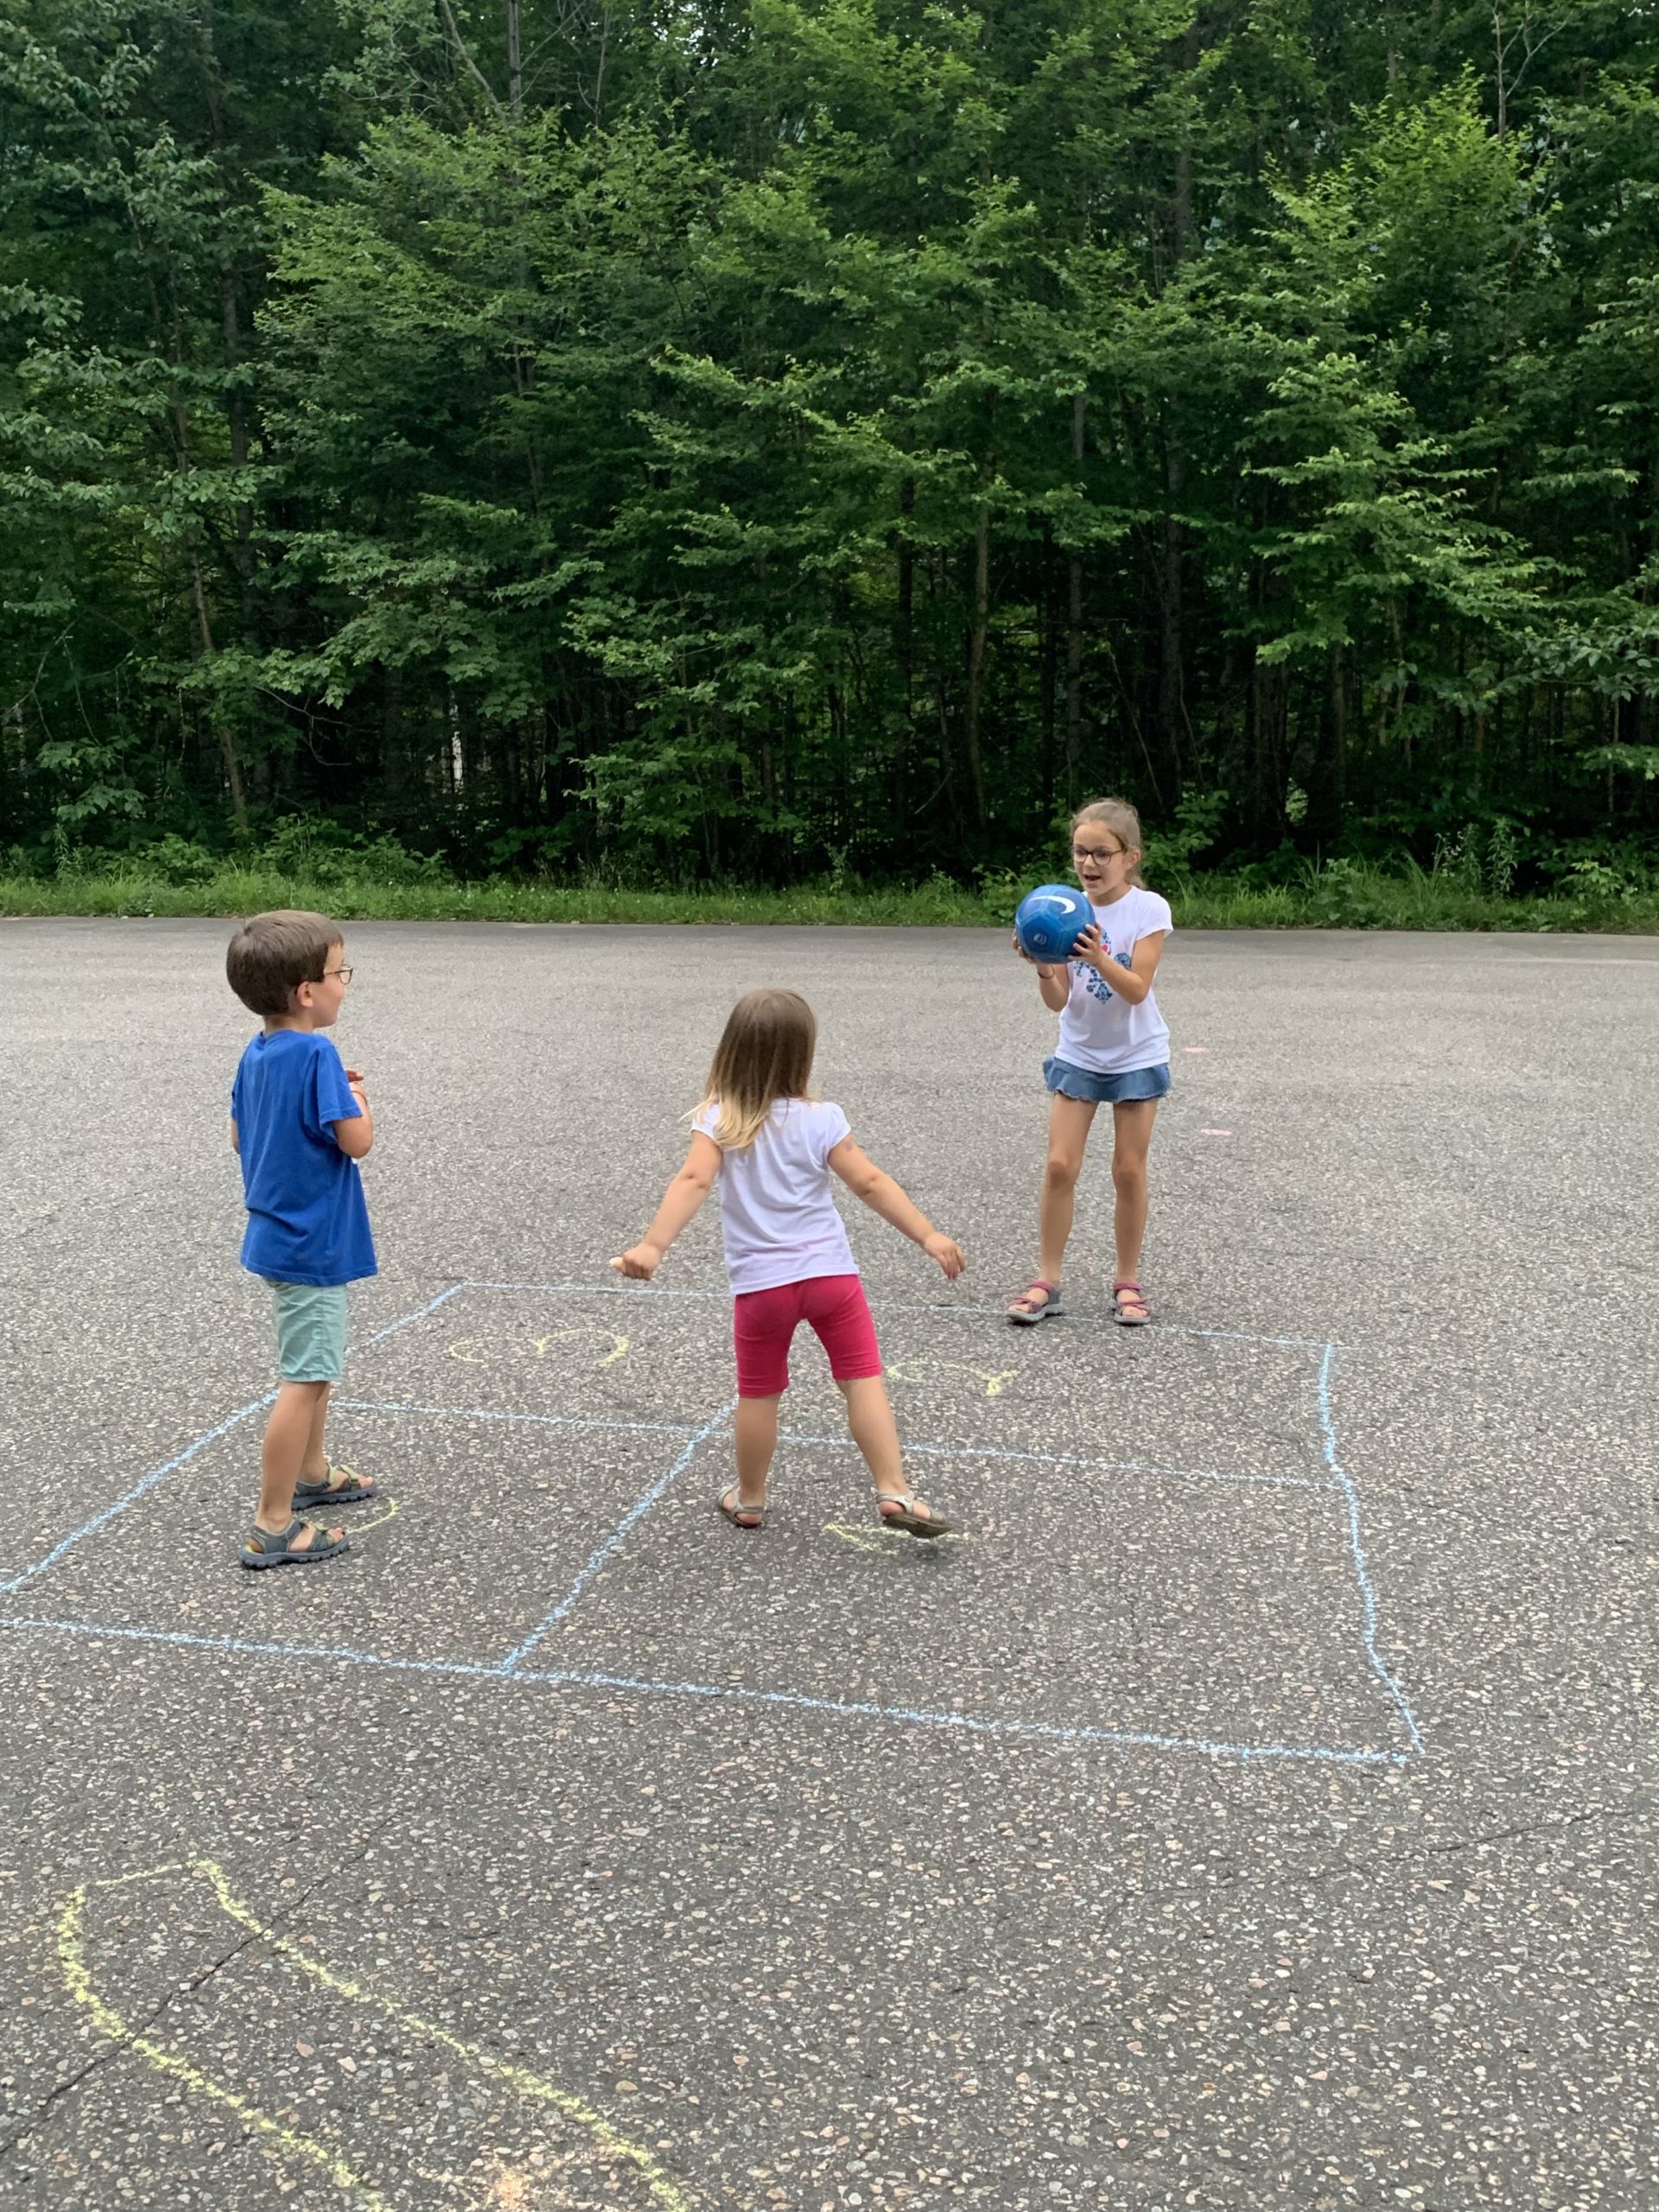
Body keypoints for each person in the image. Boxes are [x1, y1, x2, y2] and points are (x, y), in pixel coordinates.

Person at [612, 988, 965, 1535]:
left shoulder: (719, 1119)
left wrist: (653, 1245)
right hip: (831, 1278)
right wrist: (928, 1234)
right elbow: (870, 1183)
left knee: (759, 1392)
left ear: (730, 1051)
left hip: (763, 1288)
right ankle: (894, 1489)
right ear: (804, 1055)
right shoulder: (823, 1118)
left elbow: (694, 1179)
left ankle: (750, 1499)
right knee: (862, 1380)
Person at [226, 910, 378, 1567]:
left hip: (276, 1236)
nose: (346, 983)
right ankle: (273, 1522)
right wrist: (357, 1102)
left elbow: (241, 1135)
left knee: (316, 1369)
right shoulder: (318, 1053)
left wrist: (326, 1098)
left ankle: (312, 1473)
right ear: (307, 991)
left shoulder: (257, 1053)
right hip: (310, 1243)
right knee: (307, 1377)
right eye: (341, 972)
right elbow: (357, 1142)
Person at [1007, 798, 1172, 1329]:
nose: (1089, 864)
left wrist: (1099, 956)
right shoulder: (1060, 908)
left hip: (1135, 1055)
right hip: (1078, 1052)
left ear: (1130, 857)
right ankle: (1047, 1280)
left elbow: (1137, 989)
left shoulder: (1148, 910)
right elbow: (1059, 1000)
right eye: (1080, 852)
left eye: (1102, 853)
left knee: (1128, 1170)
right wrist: (1042, 966)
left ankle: (1127, 1281)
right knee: (1060, 1166)